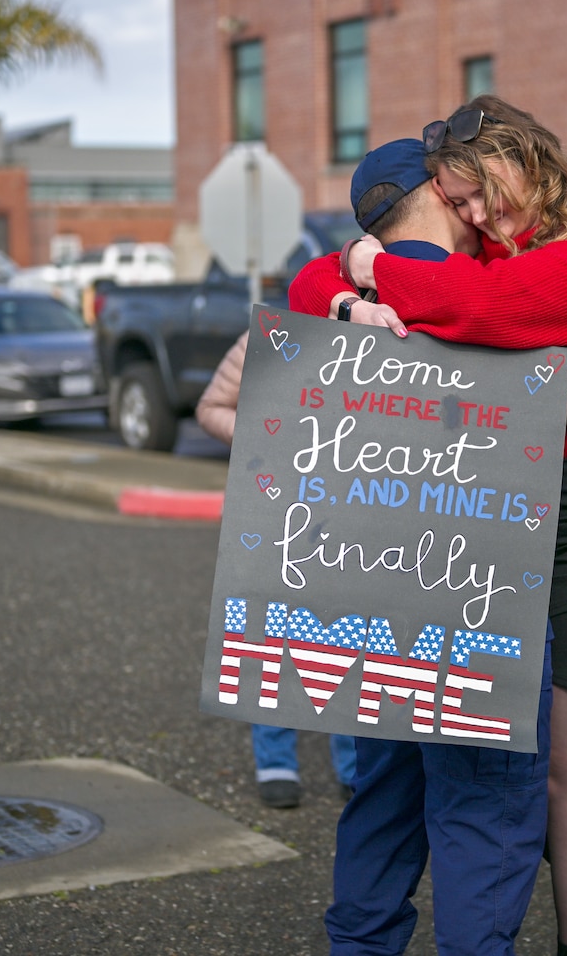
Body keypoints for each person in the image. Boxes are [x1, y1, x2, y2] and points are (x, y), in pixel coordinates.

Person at [292, 97, 567, 956]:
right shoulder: (478, 256)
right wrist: (348, 294)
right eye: (459, 204)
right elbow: (310, 288)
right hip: (487, 529)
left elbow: (484, 312)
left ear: (513, 162)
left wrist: (369, 272)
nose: (475, 217)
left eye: (476, 196)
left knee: (546, 768)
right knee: (486, 772)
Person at [196, 330, 358, 809]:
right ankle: (275, 760)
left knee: (353, 632)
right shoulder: (270, 337)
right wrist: (275, 434)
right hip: (275, 503)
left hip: (360, 510)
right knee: (270, 629)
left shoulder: (393, 335)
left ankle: (353, 764)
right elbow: (211, 407)